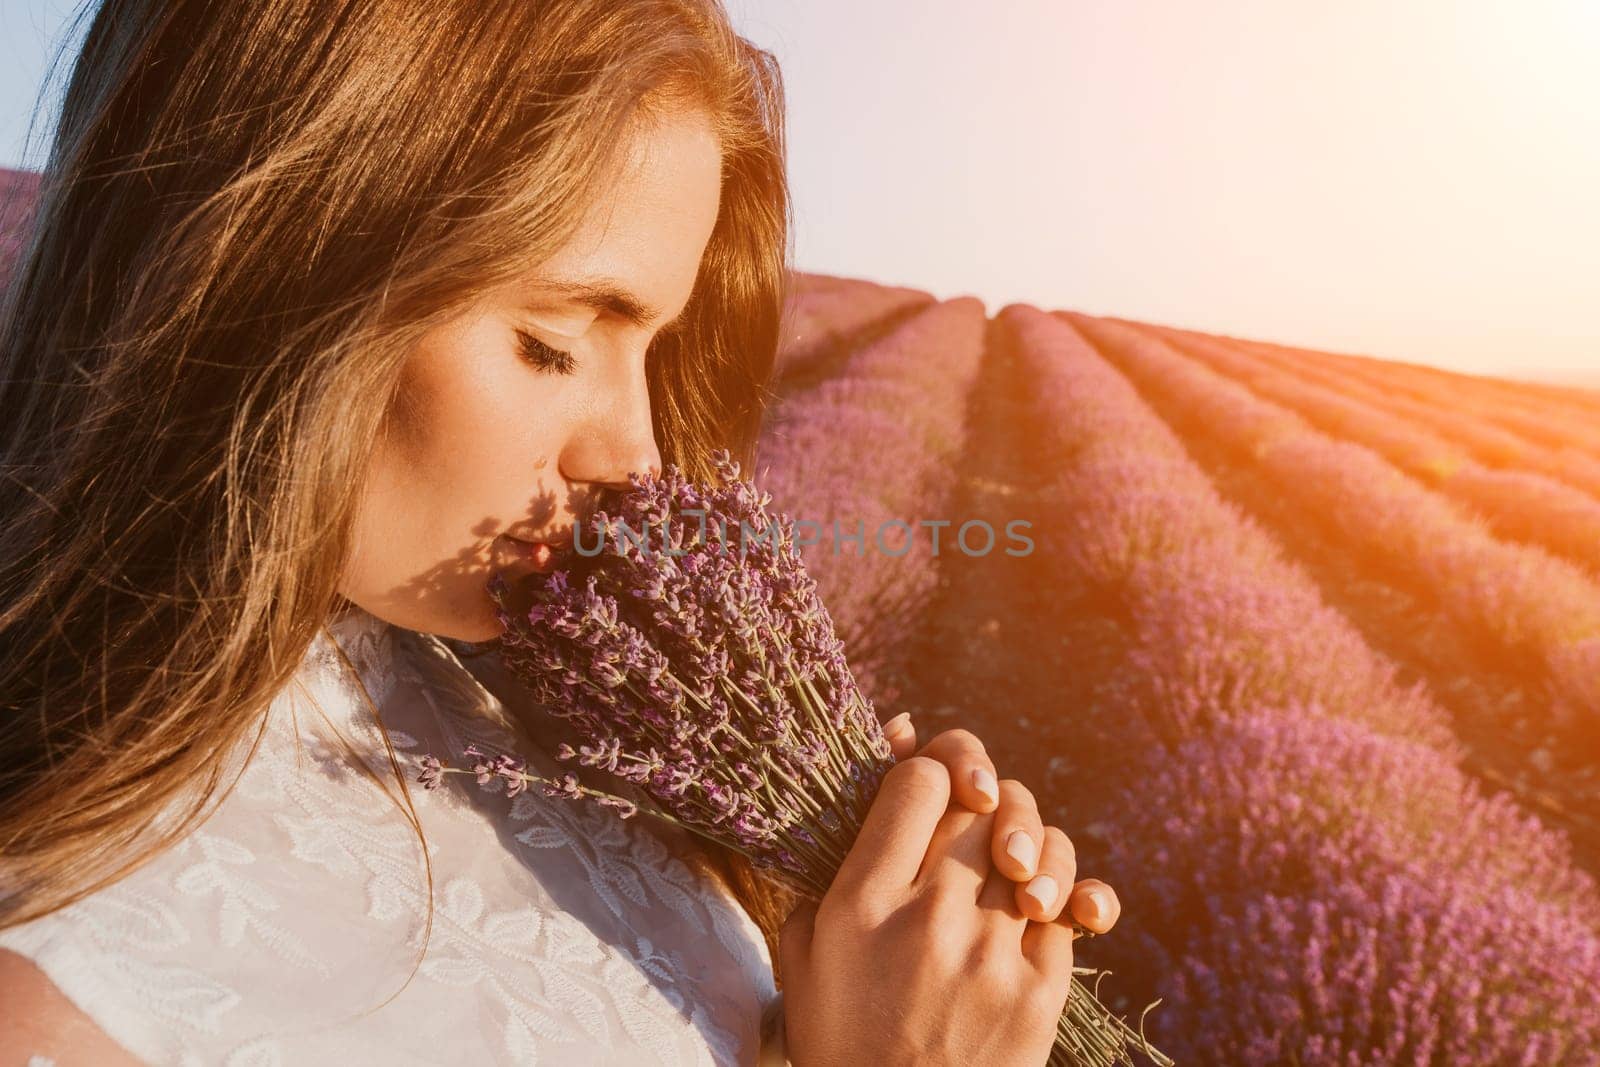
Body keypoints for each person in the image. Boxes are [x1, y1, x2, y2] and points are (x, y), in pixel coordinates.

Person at [0, 1, 1121, 1063]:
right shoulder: (62, 983)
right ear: (260, 272)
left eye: (651, 349)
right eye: (550, 342)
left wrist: (856, 948)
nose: (635, 458)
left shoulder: (559, 717)